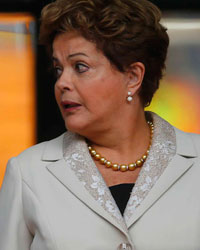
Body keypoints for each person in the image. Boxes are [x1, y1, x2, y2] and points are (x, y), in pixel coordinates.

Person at [0, 0, 200, 249]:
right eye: (58, 69)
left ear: (133, 76)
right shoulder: (27, 172)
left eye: (80, 67)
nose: (62, 83)